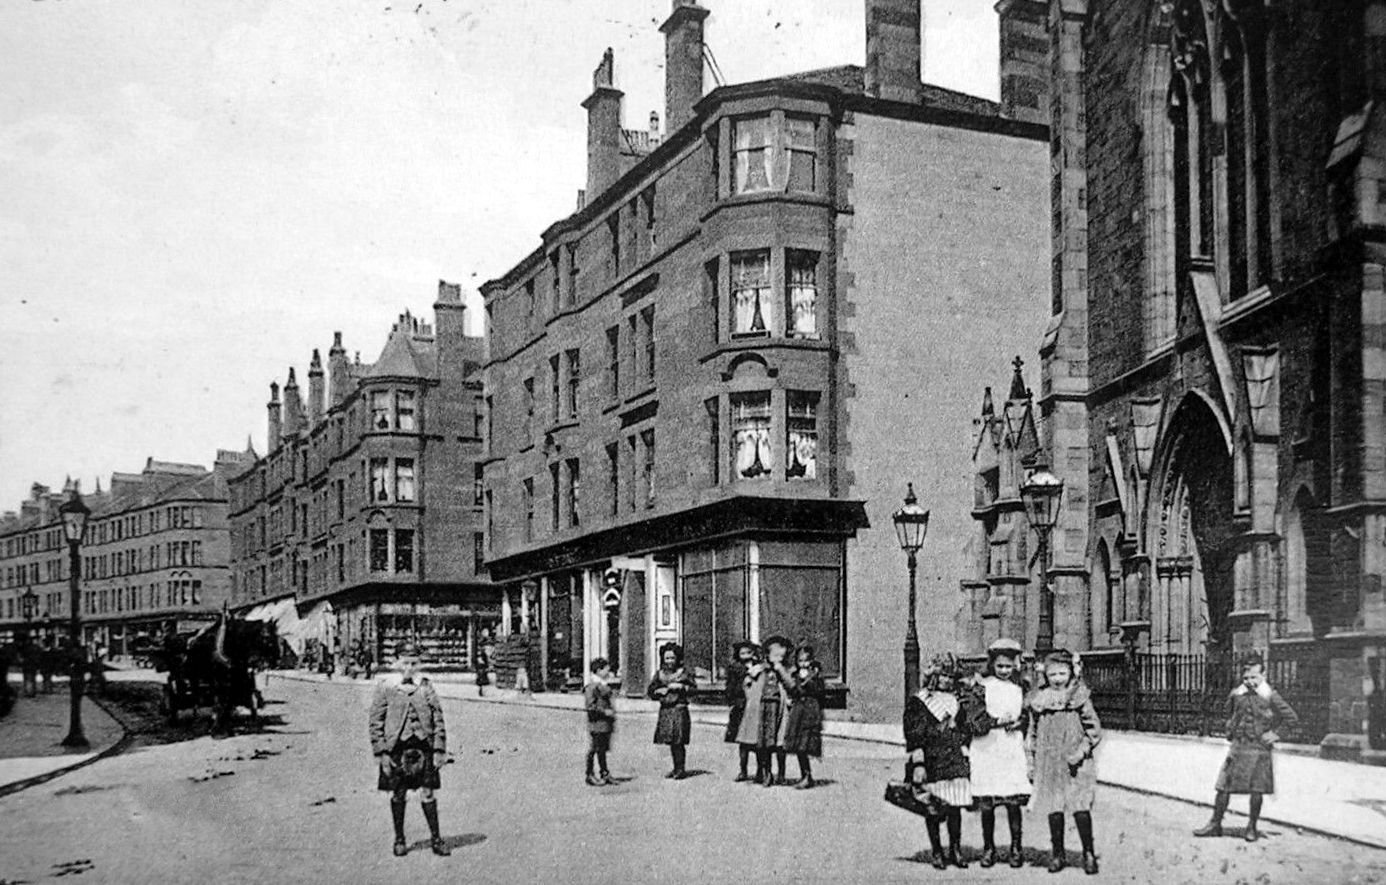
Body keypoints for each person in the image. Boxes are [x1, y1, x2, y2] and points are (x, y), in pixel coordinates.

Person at [1194, 652, 1299, 843]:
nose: (1249, 681)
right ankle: (1215, 824)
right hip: (1238, 747)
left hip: (1259, 749)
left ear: (1263, 676)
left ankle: (1251, 827)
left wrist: (1276, 734)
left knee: (1256, 790)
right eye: (1246, 677)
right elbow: (1228, 713)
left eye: (1254, 677)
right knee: (1223, 787)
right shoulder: (1236, 694)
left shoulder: (1270, 696)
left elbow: (1292, 718)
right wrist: (1229, 729)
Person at [368, 644, 450, 857]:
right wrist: (381, 752)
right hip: (397, 747)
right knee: (398, 792)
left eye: (414, 663)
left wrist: (439, 748)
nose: (409, 668)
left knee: (428, 792)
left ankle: (436, 839)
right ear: (396, 663)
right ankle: (400, 839)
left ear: (419, 664)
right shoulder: (386, 686)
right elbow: (376, 721)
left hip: (424, 746)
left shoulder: (425, 686)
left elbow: (438, 717)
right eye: (405, 663)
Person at [1027, 649, 1101, 875]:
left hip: (1075, 761)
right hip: (1050, 761)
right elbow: (1033, 733)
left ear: (1071, 672)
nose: (1058, 679)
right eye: (1053, 675)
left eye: (1062, 673)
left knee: (1080, 806)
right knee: (1054, 807)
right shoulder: (1040, 700)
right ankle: (1057, 853)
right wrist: (1031, 761)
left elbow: (1094, 730)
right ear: (1045, 676)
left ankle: (1088, 852)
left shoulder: (1079, 697)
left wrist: (1082, 751)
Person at [904, 653, 974, 870]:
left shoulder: (957, 700)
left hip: (953, 758)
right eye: (943, 675)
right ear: (934, 675)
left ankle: (955, 849)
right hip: (932, 758)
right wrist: (918, 763)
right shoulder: (921, 700)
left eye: (951, 676)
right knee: (933, 807)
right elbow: (914, 733)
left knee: (955, 806)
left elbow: (964, 728)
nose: (947, 680)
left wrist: (965, 746)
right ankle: (936, 850)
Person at [968, 638, 1031, 868]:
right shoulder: (983, 686)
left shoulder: (1019, 688)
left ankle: (1016, 848)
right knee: (988, 801)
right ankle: (989, 848)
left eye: (1008, 666)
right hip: (988, 747)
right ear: (992, 664)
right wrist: (995, 720)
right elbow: (974, 718)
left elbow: (1026, 715)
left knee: (1012, 801)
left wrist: (1019, 723)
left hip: (1010, 747)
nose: (1004, 670)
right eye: (1000, 666)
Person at [737, 635, 794, 787]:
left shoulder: (785, 670)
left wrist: (780, 669)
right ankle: (766, 773)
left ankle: (781, 773)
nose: (778, 659)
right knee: (764, 743)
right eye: (775, 656)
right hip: (763, 709)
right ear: (767, 655)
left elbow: (791, 685)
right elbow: (747, 683)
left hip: (780, 710)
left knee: (780, 743)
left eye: (782, 656)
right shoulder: (760, 669)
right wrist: (751, 699)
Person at [647, 641, 695, 779]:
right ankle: (675, 768)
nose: (669, 661)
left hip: (679, 709)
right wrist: (658, 691)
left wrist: (682, 688)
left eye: (672, 658)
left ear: (677, 658)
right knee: (671, 741)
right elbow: (650, 691)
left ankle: (681, 769)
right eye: (667, 658)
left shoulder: (684, 673)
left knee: (678, 741)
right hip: (666, 710)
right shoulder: (659, 674)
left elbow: (694, 689)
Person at [782, 645, 825, 789]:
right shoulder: (795, 674)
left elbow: (819, 691)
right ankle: (805, 775)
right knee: (798, 745)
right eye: (800, 661)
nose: (803, 664)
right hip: (798, 710)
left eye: (806, 661)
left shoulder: (816, 674)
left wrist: (808, 679)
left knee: (804, 745)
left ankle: (807, 776)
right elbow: (793, 689)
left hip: (810, 710)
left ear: (811, 661)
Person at [724, 642, 757, 782]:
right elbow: (730, 687)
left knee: (757, 740)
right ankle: (743, 770)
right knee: (742, 741)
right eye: (742, 653)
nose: (745, 656)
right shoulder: (735, 668)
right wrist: (732, 700)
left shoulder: (759, 667)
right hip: (741, 706)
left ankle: (760, 770)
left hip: (755, 706)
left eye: (748, 653)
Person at [584, 657, 616, 786]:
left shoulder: (603, 685)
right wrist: (605, 712)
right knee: (594, 749)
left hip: (605, 724)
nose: (608, 672)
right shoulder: (591, 687)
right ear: (598, 670)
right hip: (596, 723)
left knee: (602, 750)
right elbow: (590, 706)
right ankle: (589, 774)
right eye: (606, 669)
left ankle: (604, 773)